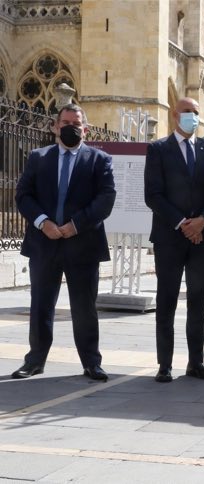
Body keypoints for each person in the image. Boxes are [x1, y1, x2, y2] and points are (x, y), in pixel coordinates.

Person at [13, 103, 116, 381]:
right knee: (40, 305)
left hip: (82, 244)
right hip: (44, 243)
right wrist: (42, 222)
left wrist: (75, 225)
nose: (71, 127)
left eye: (76, 123)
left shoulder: (99, 160)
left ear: (86, 128)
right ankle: (34, 361)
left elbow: (105, 201)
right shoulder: (38, 157)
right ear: (56, 127)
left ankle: (91, 363)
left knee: (84, 308)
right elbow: (23, 195)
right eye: (65, 122)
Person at [144, 97, 204, 383]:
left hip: (202, 238)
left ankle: (196, 363)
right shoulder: (158, 150)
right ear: (175, 115)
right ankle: (164, 364)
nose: (191, 116)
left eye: (195, 112)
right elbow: (153, 195)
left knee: (198, 302)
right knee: (166, 301)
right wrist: (182, 223)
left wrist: (202, 221)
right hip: (169, 237)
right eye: (186, 112)